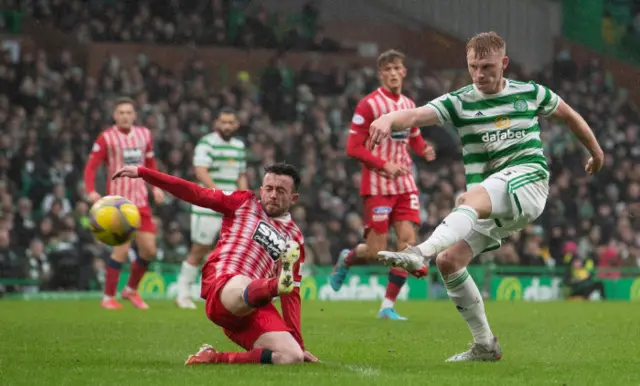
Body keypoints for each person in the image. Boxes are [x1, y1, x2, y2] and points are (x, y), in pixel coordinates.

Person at [371, 32, 604, 361]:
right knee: (449, 261)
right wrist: (387, 118)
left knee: (468, 200)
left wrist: (596, 153)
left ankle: (418, 253)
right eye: (473, 67)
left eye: (487, 66)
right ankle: (485, 345)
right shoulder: (460, 101)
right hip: (492, 200)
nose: (480, 74)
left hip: (529, 179)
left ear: (504, 64)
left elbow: (569, 115)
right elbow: (415, 115)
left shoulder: (530, 93)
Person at [112, 163, 319, 365]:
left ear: (294, 198)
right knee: (247, 284)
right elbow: (196, 193)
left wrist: (299, 345)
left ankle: (215, 358)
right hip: (225, 287)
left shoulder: (294, 239)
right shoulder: (243, 202)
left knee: (291, 357)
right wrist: (144, 173)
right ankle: (275, 285)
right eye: (269, 189)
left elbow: (291, 296)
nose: (273, 195)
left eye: (281, 191)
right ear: (261, 189)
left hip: (254, 307)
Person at [329, 49, 435, 320]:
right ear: (380, 74)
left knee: (407, 247)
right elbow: (352, 147)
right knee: (376, 251)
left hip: (405, 184)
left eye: (396, 68)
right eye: (386, 69)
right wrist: (382, 164)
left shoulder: (410, 104)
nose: (392, 73)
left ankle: (387, 306)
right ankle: (349, 257)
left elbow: (414, 138)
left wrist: (424, 150)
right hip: (377, 185)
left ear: (403, 72)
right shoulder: (368, 105)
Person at [84, 97, 165, 310]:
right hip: (118, 204)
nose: (125, 116)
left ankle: (130, 290)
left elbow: (150, 164)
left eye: (129, 112)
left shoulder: (144, 135)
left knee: (149, 250)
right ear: (114, 115)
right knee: (120, 251)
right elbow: (91, 166)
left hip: (141, 202)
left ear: (134, 115)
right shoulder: (106, 138)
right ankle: (108, 297)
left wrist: (156, 187)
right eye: (121, 112)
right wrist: (91, 190)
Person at [176, 107, 248, 309]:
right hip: (208, 205)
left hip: (230, 206)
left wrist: (245, 198)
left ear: (236, 124)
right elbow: (200, 171)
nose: (226, 126)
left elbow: (240, 174)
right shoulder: (207, 143)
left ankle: (227, 292)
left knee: (233, 249)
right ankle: (183, 293)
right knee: (199, 249)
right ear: (216, 123)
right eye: (223, 122)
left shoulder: (239, 147)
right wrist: (217, 193)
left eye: (230, 122)